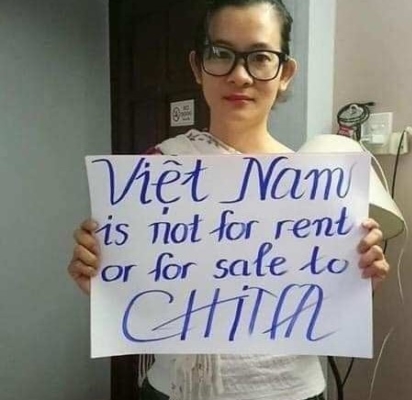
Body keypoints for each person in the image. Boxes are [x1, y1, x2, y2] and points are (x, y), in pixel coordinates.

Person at [68, 1, 390, 399]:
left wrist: (358, 279)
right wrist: (103, 278)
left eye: (260, 57)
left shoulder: (318, 187)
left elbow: (322, 304)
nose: (239, 75)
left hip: (291, 391)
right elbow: (139, 294)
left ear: (285, 73)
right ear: (197, 67)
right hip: (177, 390)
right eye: (221, 54)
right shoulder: (158, 170)